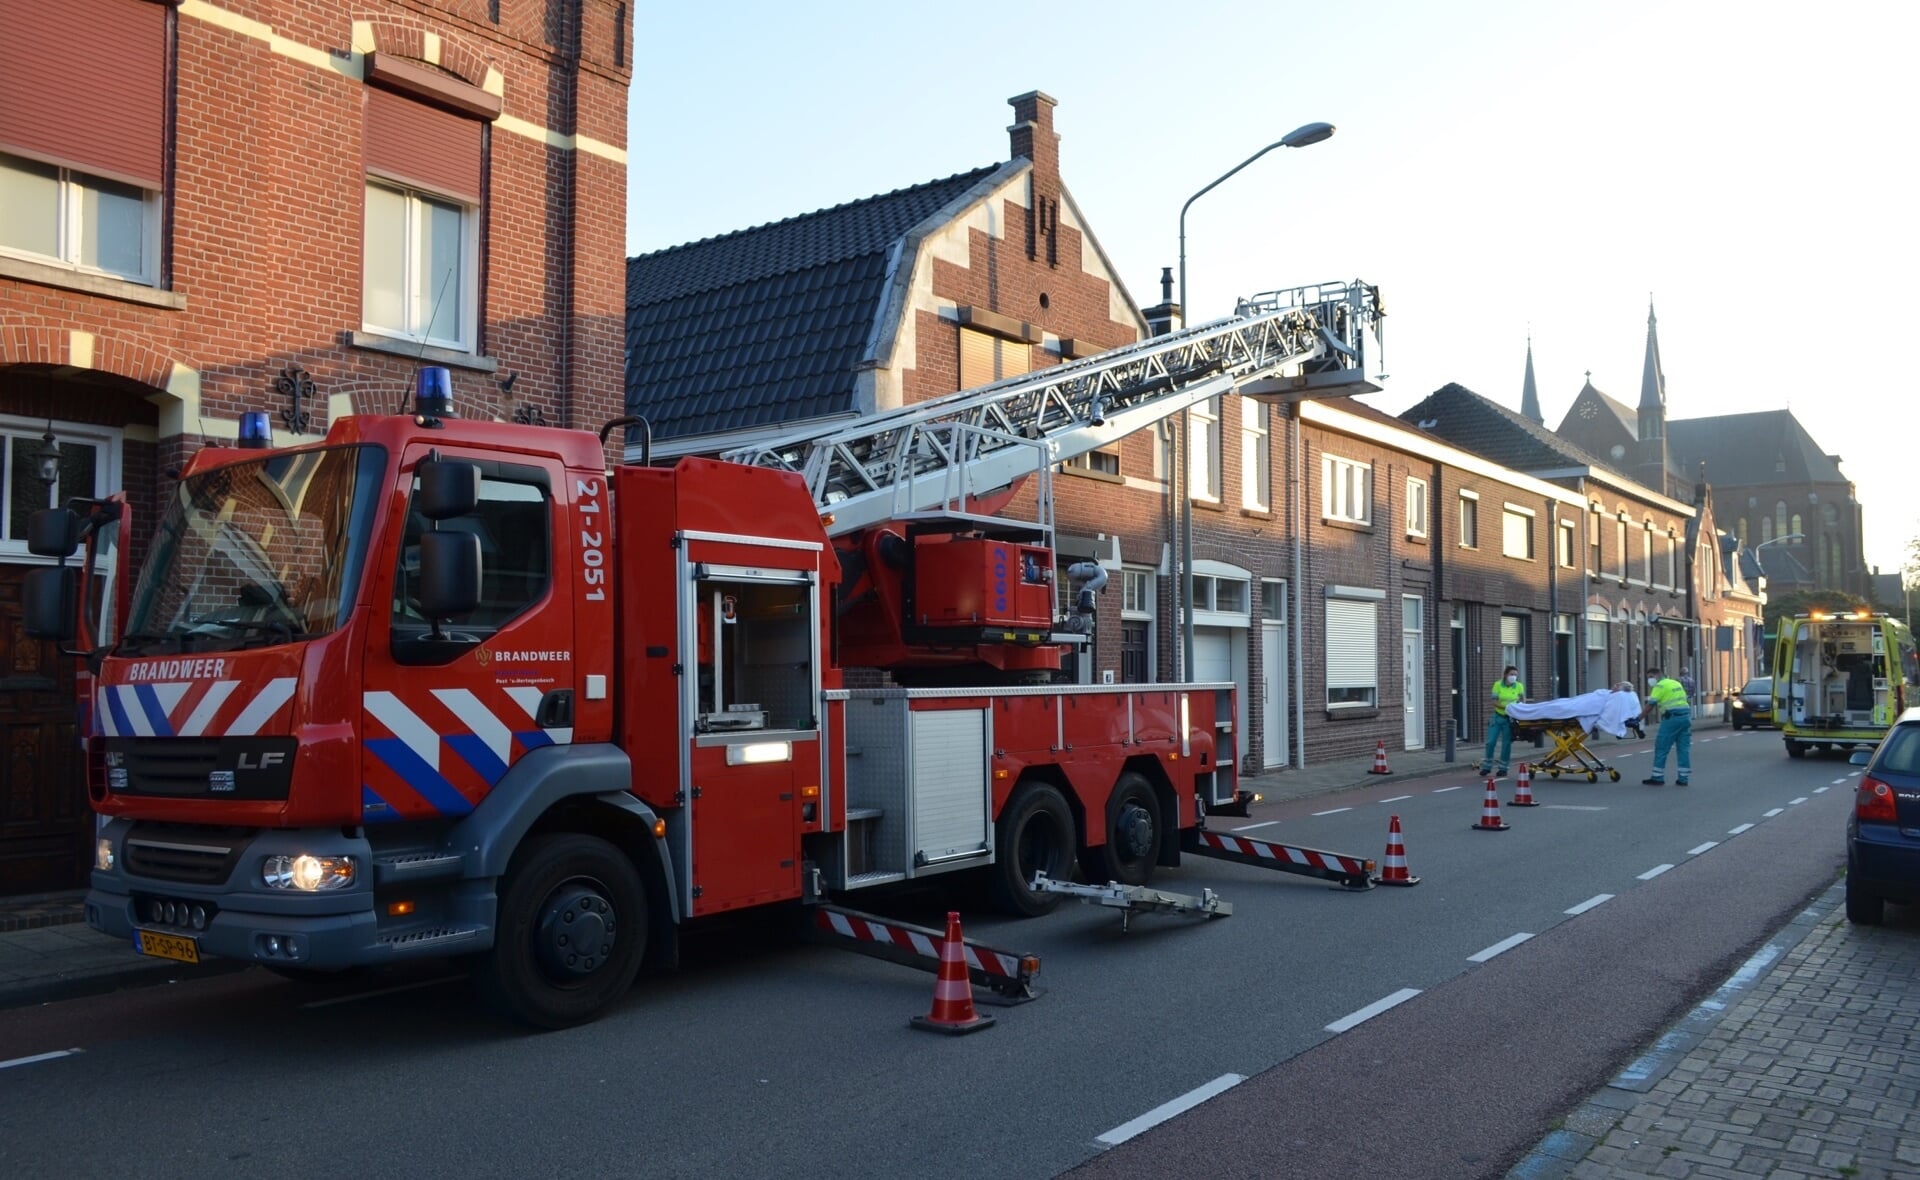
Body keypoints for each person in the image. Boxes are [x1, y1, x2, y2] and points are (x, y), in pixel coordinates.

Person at [1641, 667, 1692, 785]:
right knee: (1683, 749)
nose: (1649, 680)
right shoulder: (1675, 683)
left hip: (1671, 718)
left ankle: (1657, 777)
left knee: (1662, 747)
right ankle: (1683, 779)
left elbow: (1650, 705)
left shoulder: (1660, 686)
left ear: (1657, 675)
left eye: (1650, 677)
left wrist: (1638, 719)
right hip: (1686, 717)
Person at [1479, 664, 1525, 778]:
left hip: (1510, 719)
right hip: (1498, 717)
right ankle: (1487, 766)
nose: (1513, 677)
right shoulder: (1498, 685)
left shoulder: (1519, 686)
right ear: (1505, 675)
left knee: (1506, 744)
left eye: (1515, 675)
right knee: (1490, 742)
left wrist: (1519, 708)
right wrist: (1506, 707)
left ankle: (1503, 768)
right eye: (1511, 674)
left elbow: (1522, 699)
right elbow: (1494, 701)